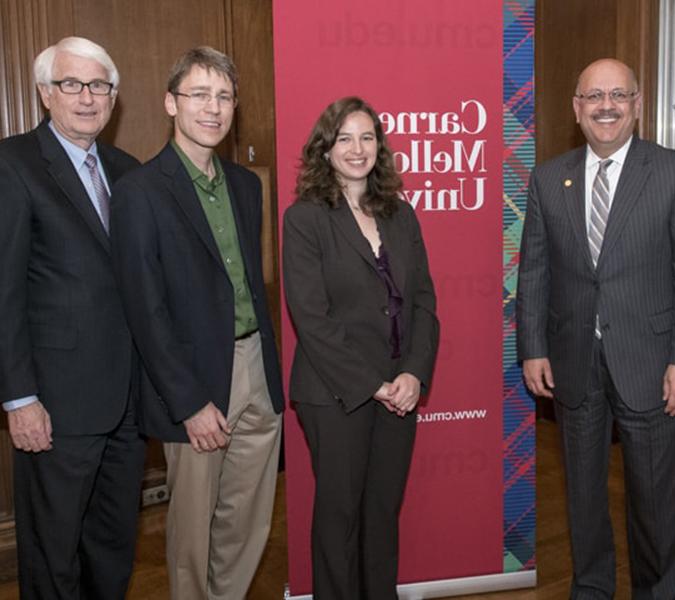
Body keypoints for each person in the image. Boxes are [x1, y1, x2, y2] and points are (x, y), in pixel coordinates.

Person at [517, 58, 675, 599]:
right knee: (583, 494)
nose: (607, 106)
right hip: (574, 361)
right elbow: (534, 269)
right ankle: (591, 589)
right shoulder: (547, 177)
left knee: (655, 499)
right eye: (594, 96)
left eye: (618, 95)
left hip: (652, 363)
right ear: (576, 108)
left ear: (637, 104)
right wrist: (532, 347)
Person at [108, 47, 284, 600]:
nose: (214, 108)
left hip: (257, 366)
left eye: (225, 96)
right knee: (191, 530)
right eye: (200, 94)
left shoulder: (245, 185)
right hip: (196, 381)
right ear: (170, 103)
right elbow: (145, 307)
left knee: (247, 516)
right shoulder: (140, 191)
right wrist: (187, 402)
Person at [0, 37, 144, 599]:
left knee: (112, 546)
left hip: (128, 403)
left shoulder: (126, 169)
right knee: (52, 553)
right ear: (44, 93)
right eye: (71, 84)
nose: (87, 97)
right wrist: (19, 399)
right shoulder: (13, 165)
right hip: (55, 406)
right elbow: (4, 291)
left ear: (114, 96)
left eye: (99, 85)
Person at [282, 96, 439, 599]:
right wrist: (373, 385)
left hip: (400, 390)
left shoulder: (401, 215)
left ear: (380, 147)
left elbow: (423, 302)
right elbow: (312, 319)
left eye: (367, 137)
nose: (357, 148)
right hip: (335, 393)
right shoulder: (304, 218)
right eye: (344, 138)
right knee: (340, 516)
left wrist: (414, 373)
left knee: (381, 513)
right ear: (325, 150)